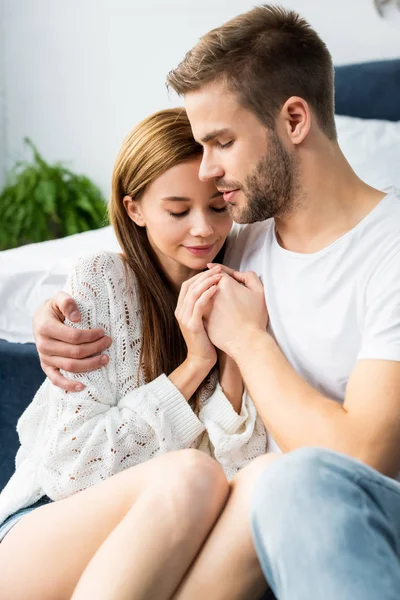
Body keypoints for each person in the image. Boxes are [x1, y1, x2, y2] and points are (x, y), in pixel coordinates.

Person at [35, 5, 400, 599]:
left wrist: (249, 343)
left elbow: (363, 459)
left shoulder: (390, 250)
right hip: (246, 510)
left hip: (353, 512)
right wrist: (51, 318)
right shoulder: (236, 243)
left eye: (222, 142)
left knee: (285, 480)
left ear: (294, 120)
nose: (209, 171)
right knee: (259, 481)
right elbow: (137, 252)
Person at [0, 108, 272, 600]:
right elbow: (70, 470)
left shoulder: (234, 289)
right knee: (192, 474)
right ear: (135, 209)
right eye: (177, 210)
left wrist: (232, 359)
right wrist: (195, 366)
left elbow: (235, 470)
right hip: (38, 528)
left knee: (257, 489)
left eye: (217, 207)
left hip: (146, 552)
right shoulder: (102, 281)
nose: (203, 230)